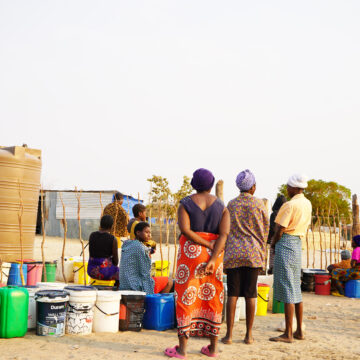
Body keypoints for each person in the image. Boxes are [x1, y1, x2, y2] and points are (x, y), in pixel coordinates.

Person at [165, 168, 230, 359]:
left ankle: (183, 350)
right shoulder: (222, 206)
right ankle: (212, 348)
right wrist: (211, 256)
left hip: (190, 255)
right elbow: (224, 235)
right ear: (211, 185)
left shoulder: (185, 203)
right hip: (215, 255)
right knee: (213, 297)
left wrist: (203, 244)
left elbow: (185, 230)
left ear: (194, 184)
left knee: (186, 297)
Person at [222, 169, 269, 345]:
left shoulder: (231, 204)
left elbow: (225, 228)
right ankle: (249, 335)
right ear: (253, 187)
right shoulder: (259, 205)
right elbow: (265, 230)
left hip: (234, 253)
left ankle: (229, 335)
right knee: (251, 294)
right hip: (253, 254)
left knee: (232, 294)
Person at [270, 174, 312, 343]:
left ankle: (288, 333)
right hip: (297, 244)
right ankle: (299, 330)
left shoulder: (289, 205)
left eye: (288, 187)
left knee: (288, 289)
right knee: (295, 289)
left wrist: (273, 244)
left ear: (295, 188)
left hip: (286, 243)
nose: (287, 189)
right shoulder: (307, 203)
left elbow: (279, 229)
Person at [119, 221, 173, 294]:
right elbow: (145, 274)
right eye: (146, 232)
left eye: (150, 233)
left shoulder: (127, 244)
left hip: (124, 284)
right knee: (169, 281)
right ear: (138, 233)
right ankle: (155, 302)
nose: (149, 235)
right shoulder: (140, 247)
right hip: (135, 286)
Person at [87, 215, 119, 285]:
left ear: (100, 224)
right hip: (104, 273)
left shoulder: (92, 235)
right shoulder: (113, 239)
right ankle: (116, 292)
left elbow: (91, 253)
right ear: (111, 226)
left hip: (90, 271)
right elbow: (116, 261)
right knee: (120, 273)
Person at [268, 195, 287, 274]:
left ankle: (272, 270)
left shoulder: (274, 214)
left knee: (273, 254)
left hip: (274, 237)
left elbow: (273, 228)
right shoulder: (285, 213)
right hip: (283, 237)